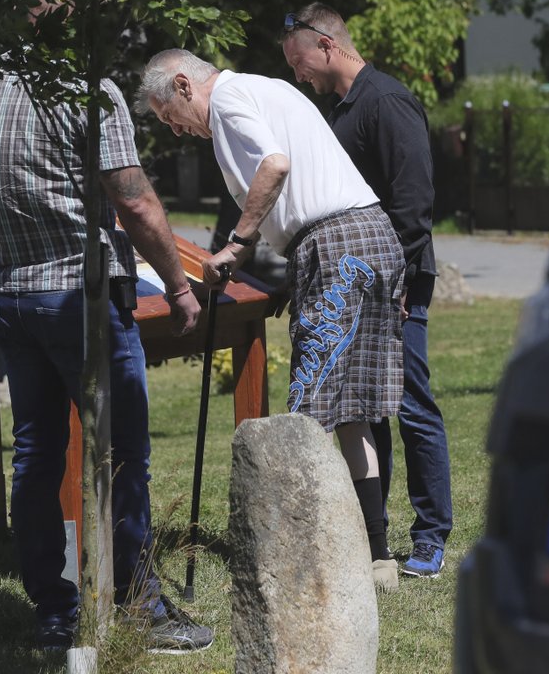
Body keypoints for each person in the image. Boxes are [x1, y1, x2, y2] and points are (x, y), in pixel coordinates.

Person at [0, 0, 214, 653]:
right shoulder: (87, 94)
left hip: (10, 293)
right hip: (79, 296)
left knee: (37, 453)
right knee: (123, 451)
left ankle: (53, 613)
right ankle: (139, 608)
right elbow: (138, 205)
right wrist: (180, 286)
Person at [137, 48, 406, 593]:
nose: (179, 132)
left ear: (185, 87)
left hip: (338, 246)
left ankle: (306, 547)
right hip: (363, 236)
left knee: (308, 411)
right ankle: (376, 557)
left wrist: (237, 245)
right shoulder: (264, 90)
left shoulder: (233, 97)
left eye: (172, 118)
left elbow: (275, 165)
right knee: (349, 407)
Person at [281, 3, 453, 578]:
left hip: (396, 280)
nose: (296, 74)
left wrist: (400, 282)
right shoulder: (341, 111)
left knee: (408, 403)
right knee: (366, 403)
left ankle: (430, 536)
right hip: (359, 280)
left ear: (326, 44)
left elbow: (414, 203)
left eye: (298, 61)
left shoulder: (386, 102)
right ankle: (371, 531)